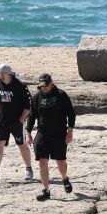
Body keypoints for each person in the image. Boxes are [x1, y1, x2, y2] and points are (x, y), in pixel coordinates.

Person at [26, 73, 76, 201]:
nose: (44, 88)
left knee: (60, 161)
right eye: (41, 86)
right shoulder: (37, 98)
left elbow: (71, 114)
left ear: (51, 83)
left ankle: (64, 178)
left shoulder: (61, 95)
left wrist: (70, 131)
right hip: (42, 134)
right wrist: (28, 133)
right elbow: (32, 116)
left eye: (46, 85)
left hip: (59, 134)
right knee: (42, 162)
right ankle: (46, 191)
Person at [0, 64, 33, 182]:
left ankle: (29, 169)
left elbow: (27, 106)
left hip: (16, 122)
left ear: (5, 74)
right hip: (1, 122)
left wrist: (21, 119)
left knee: (22, 145)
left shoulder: (19, 86)